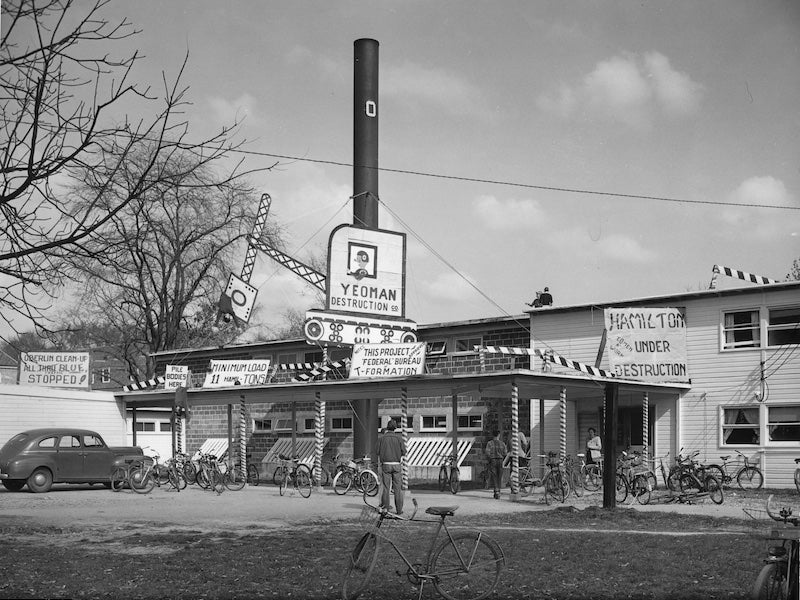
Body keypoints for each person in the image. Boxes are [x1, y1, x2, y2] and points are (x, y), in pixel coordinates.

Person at [376, 419, 406, 514]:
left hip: (386, 465)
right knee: (398, 489)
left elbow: (377, 451)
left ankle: (386, 509)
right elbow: (404, 452)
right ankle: (399, 510)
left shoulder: (382, 438)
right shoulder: (399, 438)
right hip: (396, 465)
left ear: (387, 428)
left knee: (386, 487)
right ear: (395, 428)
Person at [484, 429, 507, 499]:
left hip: (493, 460)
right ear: (499, 435)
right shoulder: (502, 443)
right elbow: (505, 453)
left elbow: (487, 452)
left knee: (494, 476)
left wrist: (489, 459)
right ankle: (498, 491)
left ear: (492, 435)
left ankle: (496, 491)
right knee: (499, 476)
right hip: (500, 460)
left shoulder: (489, 443)